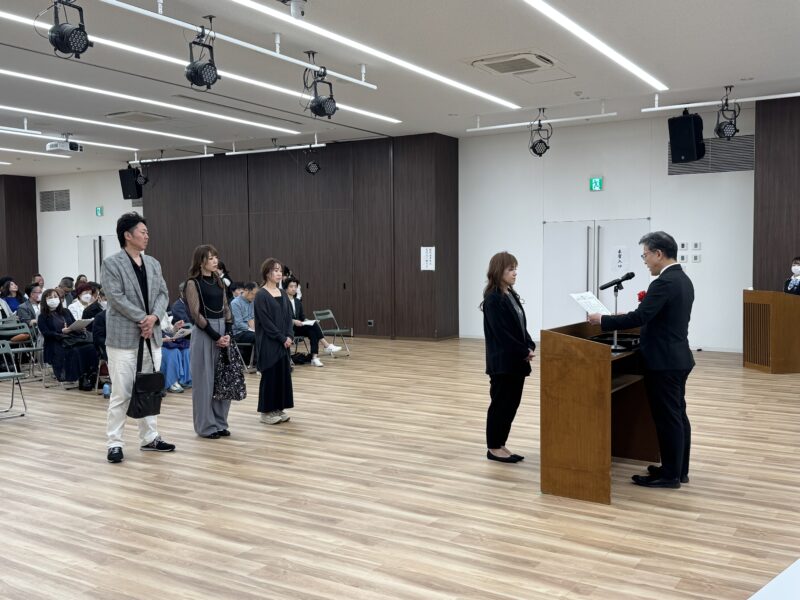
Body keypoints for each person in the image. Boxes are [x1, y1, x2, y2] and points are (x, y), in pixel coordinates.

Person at [588, 231, 694, 489]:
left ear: (658, 254)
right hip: (677, 357)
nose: (644, 260)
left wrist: (603, 320)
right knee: (677, 415)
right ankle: (677, 469)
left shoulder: (664, 282)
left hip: (664, 361)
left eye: (645, 255)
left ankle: (670, 476)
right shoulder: (682, 279)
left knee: (669, 418)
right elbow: (658, 316)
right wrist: (636, 314)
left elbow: (640, 318)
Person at [101, 212, 175, 464]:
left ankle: (150, 438)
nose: (146, 236)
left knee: (149, 388)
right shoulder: (112, 263)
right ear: (127, 235)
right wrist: (143, 318)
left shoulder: (153, 263)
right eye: (142, 232)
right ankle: (114, 443)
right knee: (121, 393)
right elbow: (115, 297)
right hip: (123, 338)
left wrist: (153, 318)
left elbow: (163, 294)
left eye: (147, 232)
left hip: (151, 335)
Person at [481, 252, 535, 464]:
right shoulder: (493, 299)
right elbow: (502, 333)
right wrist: (523, 351)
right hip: (503, 363)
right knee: (500, 405)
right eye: (510, 269)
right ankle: (493, 447)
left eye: (515, 269)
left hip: (516, 362)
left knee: (511, 405)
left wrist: (529, 344)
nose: (515, 273)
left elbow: (520, 327)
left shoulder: (510, 294)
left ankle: (501, 444)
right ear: (498, 271)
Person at [185, 244, 234, 439]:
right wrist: (216, 336)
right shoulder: (192, 283)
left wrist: (227, 333)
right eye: (211, 258)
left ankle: (220, 423)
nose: (215, 261)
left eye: (216, 257)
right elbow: (195, 314)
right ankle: (206, 426)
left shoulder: (219, 281)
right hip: (205, 333)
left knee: (222, 379)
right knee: (204, 382)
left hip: (222, 331)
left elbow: (226, 308)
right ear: (201, 261)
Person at [254, 258, 294, 425]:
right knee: (270, 376)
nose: (279, 274)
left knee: (282, 375)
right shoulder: (261, 295)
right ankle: (266, 412)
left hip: (284, 342)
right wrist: (281, 338)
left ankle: (278, 408)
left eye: (280, 271)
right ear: (267, 273)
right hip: (269, 342)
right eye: (275, 270)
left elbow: (289, 317)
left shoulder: (283, 293)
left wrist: (290, 336)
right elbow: (266, 322)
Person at [37, 288, 98, 386]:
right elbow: (46, 333)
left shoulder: (65, 311)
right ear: (45, 300)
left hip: (71, 340)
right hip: (56, 343)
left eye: (55, 296)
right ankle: (81, 377)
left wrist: (79, 328)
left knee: (91, 347)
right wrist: (61, 332)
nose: (53, 299)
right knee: (76, 351)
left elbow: (73, 324)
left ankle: (91, 374)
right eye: (50, 297)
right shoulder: (42, 316)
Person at [284, 277, 341, 367]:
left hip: (298, 328)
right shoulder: (282, 301)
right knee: (313, 328)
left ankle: (314, 358)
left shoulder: (297, 301)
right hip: (287, 329)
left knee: (313, 330)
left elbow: (302, 317)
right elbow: (281, 317)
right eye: (291, 286)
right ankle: (326, 345)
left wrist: (307, 321)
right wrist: (293, 321)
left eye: (295, 286)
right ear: (286, 288)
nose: (294, 289)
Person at [160, 314, 191, 394]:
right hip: (157, 344)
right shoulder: (149, 315)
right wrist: (164, 339)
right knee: (174, 351)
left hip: (167, 340)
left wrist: (175, 327)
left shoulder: (164, 313)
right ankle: (172, 382)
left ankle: (184, 380)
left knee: (186, 351)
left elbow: (170, 332)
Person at [231, 282, 257, 364]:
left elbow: (252, 319)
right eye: (253, 294)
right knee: (259, 335)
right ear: (246, 290)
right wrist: (251, 328)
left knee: (267, 333)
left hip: (250, 330)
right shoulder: (235, 303)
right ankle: (259, 361)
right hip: (239, 332)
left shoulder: (252, 301)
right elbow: (238, 324)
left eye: (256, 294)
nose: (254, 296)